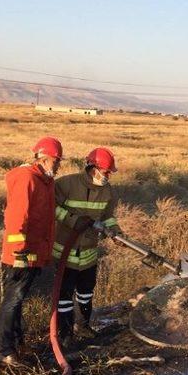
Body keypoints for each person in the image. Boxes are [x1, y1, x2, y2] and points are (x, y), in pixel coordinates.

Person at [0, 136, 63, 365]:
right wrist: (19, 254)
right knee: (13, 301)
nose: (58, 165)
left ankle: (17, 344)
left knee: (18, 299)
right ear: (43, 158)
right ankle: (6, 351)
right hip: (21, 255)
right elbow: (17, 218)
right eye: (56, 160)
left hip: (34, 253)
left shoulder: (45, 180)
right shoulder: (27, 178)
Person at [53, 146, 120, 344]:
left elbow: (108, 218)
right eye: (106, 171)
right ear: (93, 167)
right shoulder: (67, 184)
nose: (108, 175)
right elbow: (50, 206)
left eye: (110, 172)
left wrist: (116, 232)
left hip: (89, 253)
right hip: (65, 251)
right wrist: (73, 220)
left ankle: (82, 326)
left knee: (86, 293)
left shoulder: (108, 192)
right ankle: (65, 333)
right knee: (64, 296)